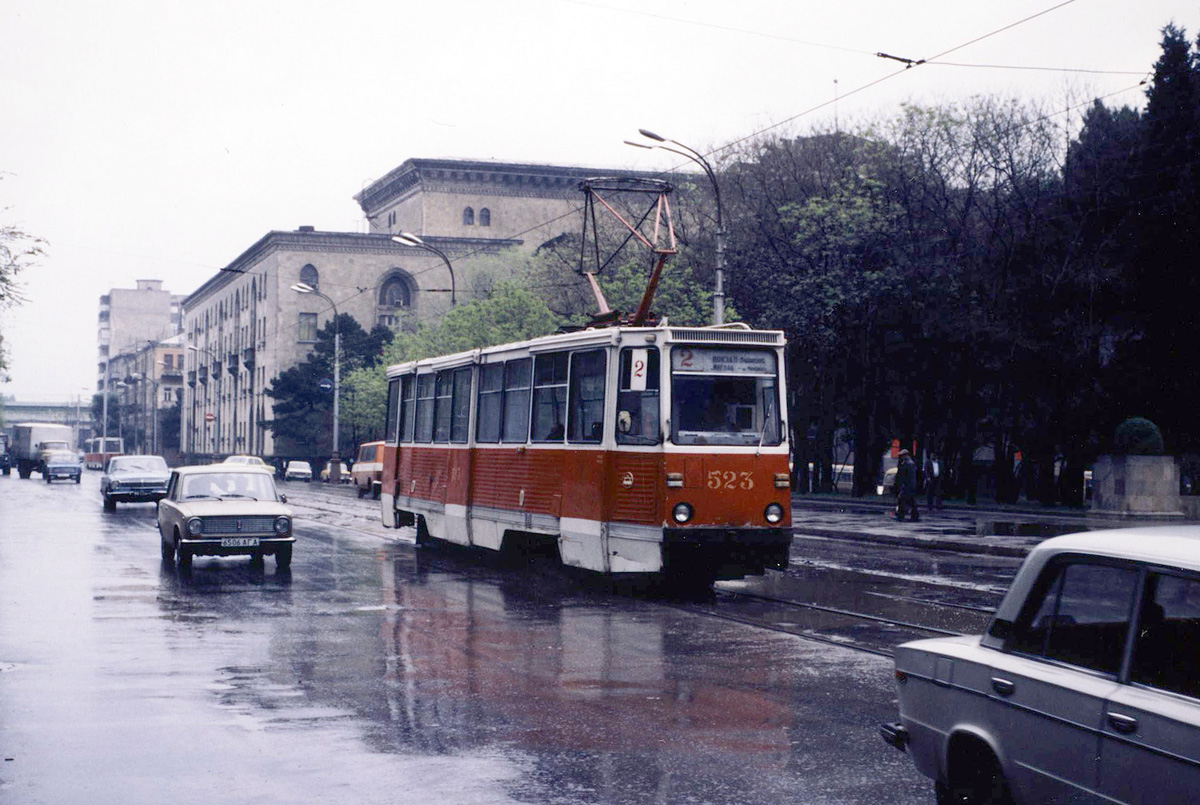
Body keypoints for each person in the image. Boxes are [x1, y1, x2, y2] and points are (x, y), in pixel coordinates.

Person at [895, 449, 919, 522]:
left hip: (907, 486)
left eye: (902, 455)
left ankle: (901, 515)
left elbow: (905, 476)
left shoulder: (908, 464)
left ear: (906, 455)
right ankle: (914, 515)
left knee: (902, 500)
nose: (901, 457)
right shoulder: (910, 463)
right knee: (911, 501)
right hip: (910, 486)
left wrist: (903, 486)